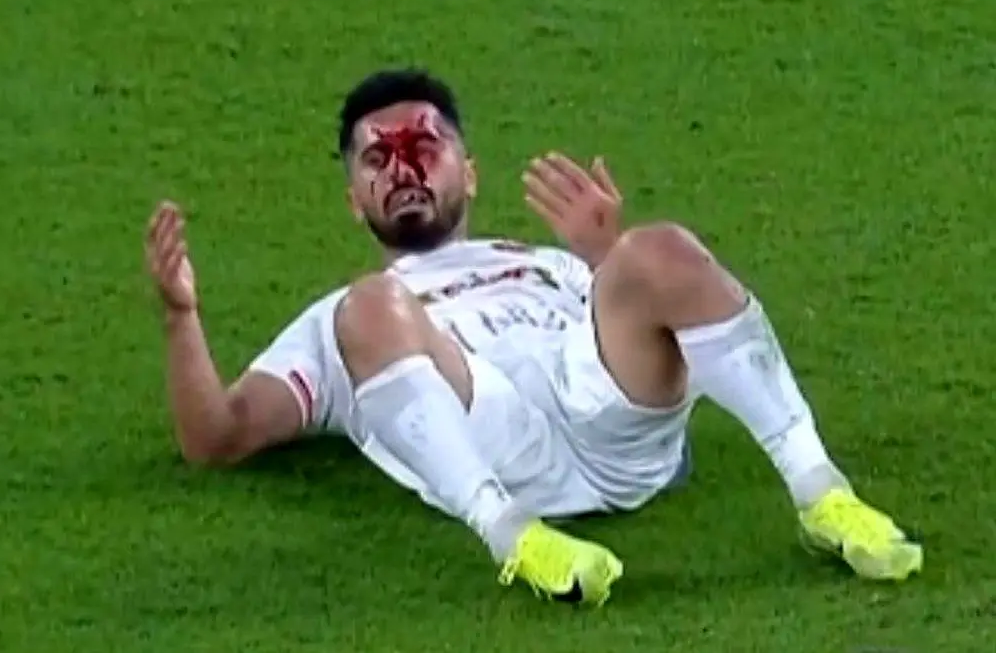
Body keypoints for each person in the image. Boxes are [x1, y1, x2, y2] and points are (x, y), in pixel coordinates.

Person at [144, 68, 923, 606]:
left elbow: (653, 335)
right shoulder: (342, 321)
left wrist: (607, 255)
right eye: (378, 159)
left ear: (470, 172)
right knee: (373, 302)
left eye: (425, 148)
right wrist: (181, 318)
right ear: (354, 200)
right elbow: (216, 437)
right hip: (493, 440)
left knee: (660, 247)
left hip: (606, 422)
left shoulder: (548, 263)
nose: (404, 169)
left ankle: (823, 494)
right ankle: (517, 539)